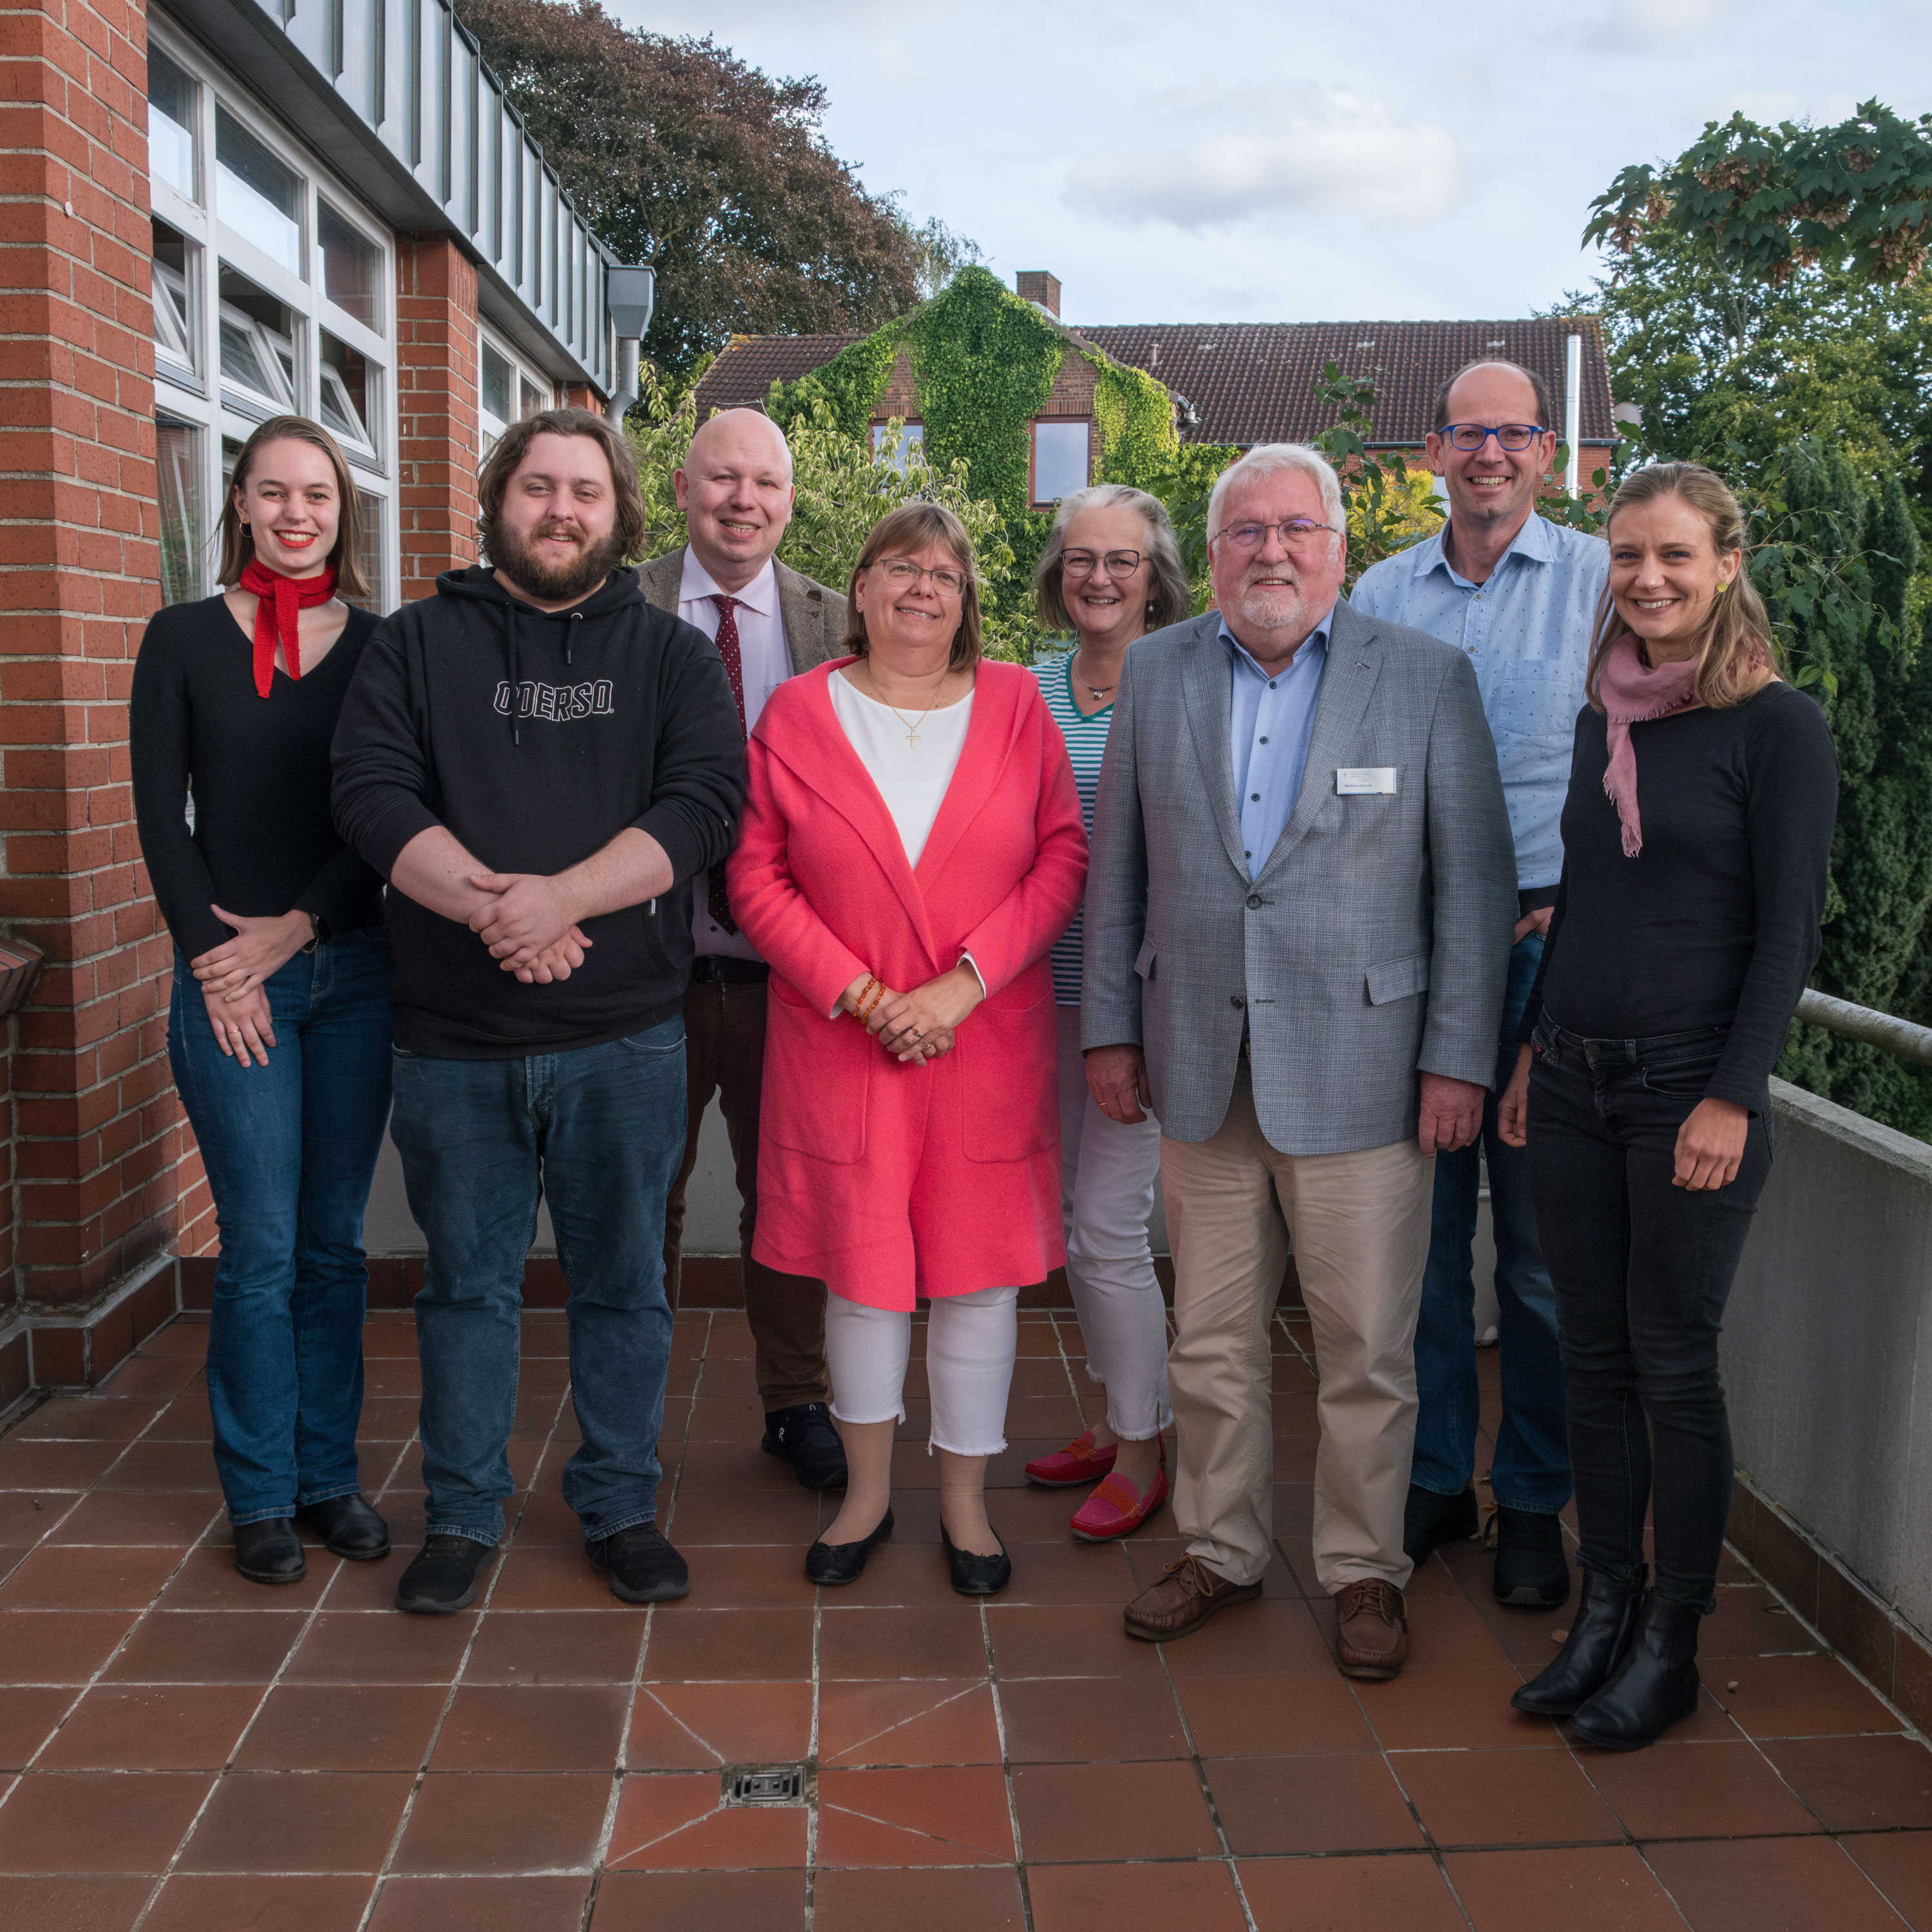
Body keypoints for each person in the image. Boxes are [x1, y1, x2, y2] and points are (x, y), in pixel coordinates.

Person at [1083, 443, 1517, 1678]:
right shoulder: (1159, 671)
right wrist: (1111, 1028)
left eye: (1296, 530)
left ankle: (1364, 1568)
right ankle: (1219, 1548)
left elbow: (1473, 888)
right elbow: (1119, 872)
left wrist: (1458, 1062)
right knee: (1209, 1340)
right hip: (1198, 1065)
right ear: (1214, 552)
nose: (1272, 551)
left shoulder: (1424, 676)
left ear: (1338, 547)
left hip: (1369, 1072)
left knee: (1366, 1351)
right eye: (1247, 531)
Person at [332, 409, 744, 1615]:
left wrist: (560, 899)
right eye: (539, 487)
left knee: (624, 1286)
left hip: (626, 1037)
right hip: (454, 1041)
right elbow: (370, 796)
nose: (563, 510)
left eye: (586, 491)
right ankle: (462, 1513)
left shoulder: (670, 655)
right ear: (497, 500)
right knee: (466, 1290)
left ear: (621, 512)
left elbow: (705, 806)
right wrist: (497, 911)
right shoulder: (413, 644)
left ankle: (619, 1506)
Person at [1499, 462, 1837, 1749]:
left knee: (1674, 1364)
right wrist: (1531, 1055)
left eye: (1676, 555)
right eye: (1629, 555)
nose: (1648, 578)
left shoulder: (1776, 728)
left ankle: (1672, 1642)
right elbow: (1583, 900)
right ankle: (1606, 1610)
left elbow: (1785, 936)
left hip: (1689, 1090)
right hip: (1573, 1077)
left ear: (1726, 565)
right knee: (1591, 1357)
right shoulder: (1606, 713)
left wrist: (1732, 1098)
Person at [727, 503, 1086, 1595]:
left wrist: (961, 986)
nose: (923, 587)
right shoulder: (797, 712)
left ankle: (968, 1506)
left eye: (945, 573)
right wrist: (862, 994)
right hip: (846, 1041)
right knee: (863, 1275)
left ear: (967, 598)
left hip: (985, 1038)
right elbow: (754, 877)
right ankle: (869, 1495)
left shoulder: (1018, 705)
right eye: (900, 567)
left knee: (978, 1284)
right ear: (861, 587)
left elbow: (1062, 857)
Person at [1352, 359, 1607, 1608]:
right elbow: (1349, 761)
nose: (1490, 454)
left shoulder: (1601, 584)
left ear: (1547, 452)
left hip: (1555, 941)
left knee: (1543, 1257)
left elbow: (1643, 756)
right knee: (1422, 1241)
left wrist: (1592, 901)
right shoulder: (1380, 595)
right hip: (1413, 940)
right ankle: (1439, 1475)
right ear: (1434, 452)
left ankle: (1535, 1499)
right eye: (1469, 433)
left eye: (1514, 433)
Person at [132, 415, 394, 1586]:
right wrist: (217, 959)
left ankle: (329, 1477)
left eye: (318, 495)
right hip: (231, 983)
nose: (297, 513)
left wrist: (302, 927)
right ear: (238, 501)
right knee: (261, 1246)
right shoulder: (181, 639)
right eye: (275, 492)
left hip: (352, 972)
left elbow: (385, 817)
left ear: (344, 512)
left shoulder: (383, 648)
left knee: (334, 1243)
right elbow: (160, 819)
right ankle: (262, 1495)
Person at [640, 408, 849, 1493]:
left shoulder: (838, 624)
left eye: (765, 483)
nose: (743, 501)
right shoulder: (616, 608)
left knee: (789, 1200)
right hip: (649, 973)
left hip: (792, 978)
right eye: (723, 478)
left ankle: (796, 1401)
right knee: (643, 1202)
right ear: (683, 489)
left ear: (790, 501)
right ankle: (629, 1412)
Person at [1021, 485, 1191, 1540]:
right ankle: (1115, 1413)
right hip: (1038, 999)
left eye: (1122, 560)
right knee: (1075, 1225)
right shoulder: (1026, 690)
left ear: (1154, 577)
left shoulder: (1186, 683)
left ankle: (1142, 1447)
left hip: (1137, 1005)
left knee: (1109, 1229)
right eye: (1081, 558)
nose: (1099, 577)